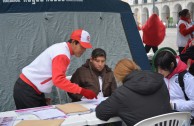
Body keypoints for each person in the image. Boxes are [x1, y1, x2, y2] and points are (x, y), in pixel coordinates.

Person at [13, 29, 97, 109]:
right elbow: (58, 80)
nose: (84, 50)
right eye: (82, 47)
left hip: (31, 89)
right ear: (74, 42)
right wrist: (82, 91)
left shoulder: (62, 49)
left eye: (85, 48)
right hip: (27, 90)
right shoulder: (62, 55)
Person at [95, 58, 172, 126]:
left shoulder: (121, 93)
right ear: (135, 67)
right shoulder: (160, 81)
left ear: (118, 76)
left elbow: (101, 113)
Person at [153, 50, 194, 124]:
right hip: (169, 114)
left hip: (184, 116)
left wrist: (173, 105)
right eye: (158, 68)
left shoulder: (186, 78)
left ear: (171, 65)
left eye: (162, 69)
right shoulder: (164, 75)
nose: (159, 72)